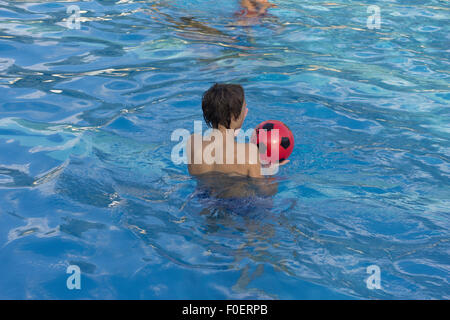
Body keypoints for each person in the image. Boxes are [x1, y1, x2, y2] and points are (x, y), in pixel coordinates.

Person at [186, 83, 288, 198]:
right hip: (239, 206)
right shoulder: (249, 152)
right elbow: (265, 192)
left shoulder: (192, 142)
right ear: (235, 116)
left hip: (204, 201)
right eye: (244, 109)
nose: (246, 112)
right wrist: (272, 167)